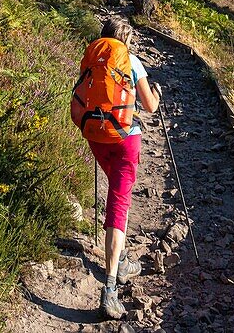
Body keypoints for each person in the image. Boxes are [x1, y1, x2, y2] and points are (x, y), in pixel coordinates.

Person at [88, 17, 162, 320]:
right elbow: (150, 106)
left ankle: (122, 258)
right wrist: (155, 92)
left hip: (96, 137)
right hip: (125, 139)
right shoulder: (132, 61)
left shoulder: (94, 57)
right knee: (119, 207)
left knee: (117, 198)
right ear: (127, 40)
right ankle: (110, 286)